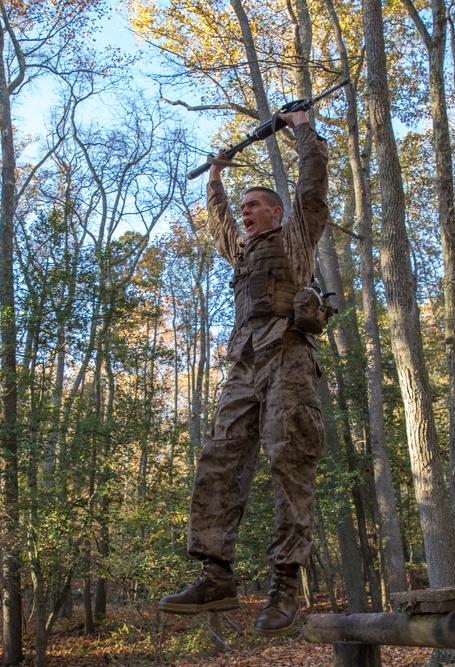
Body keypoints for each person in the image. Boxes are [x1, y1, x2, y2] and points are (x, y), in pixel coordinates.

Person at [159, 109, 330, 637]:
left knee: (288, 459)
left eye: (253, 205)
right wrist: (216, 175)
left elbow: (313, 184)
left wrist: (302, 128)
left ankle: (284, 583)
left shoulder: (297, 233)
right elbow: (220, 224)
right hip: (244, 361)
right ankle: (215, 572)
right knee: (219, 456)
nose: (245, 212)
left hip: (289, 357)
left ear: (276, 212)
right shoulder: (242, 250)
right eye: (243, 207)